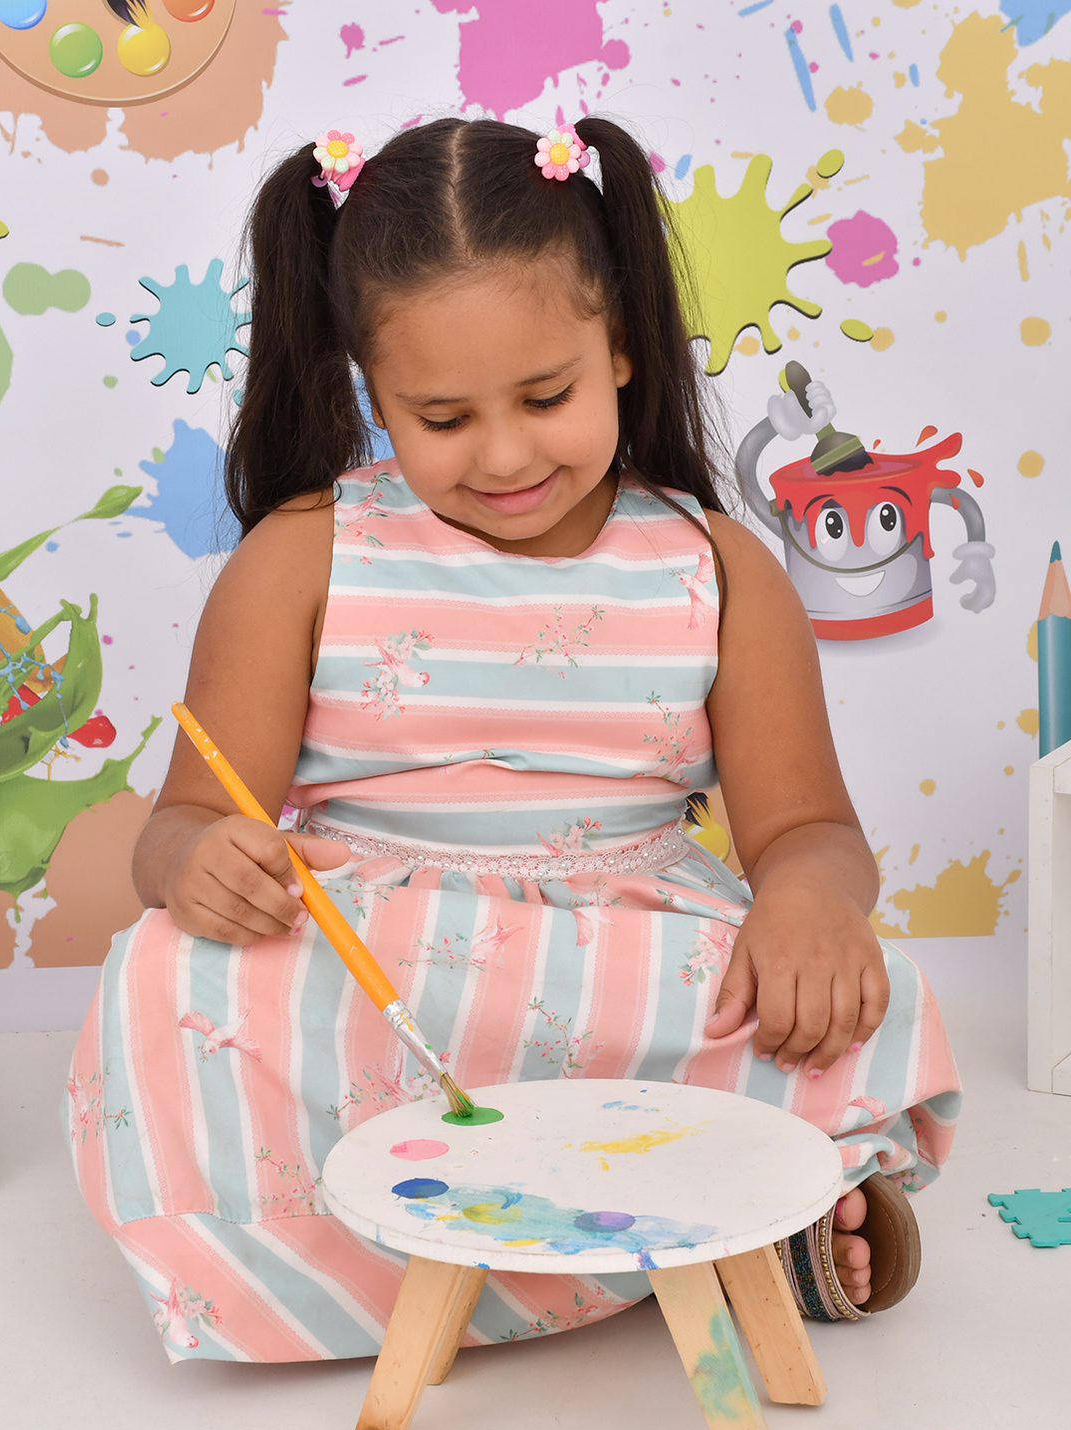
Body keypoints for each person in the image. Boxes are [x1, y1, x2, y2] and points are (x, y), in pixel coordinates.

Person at [64, 117, 960, 1362]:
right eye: (441, 418)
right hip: (381, 964)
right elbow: (184, 822)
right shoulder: (306, 554)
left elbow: (808, 827)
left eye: (547, 398)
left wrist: (809, 902)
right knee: (166, 974)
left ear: (622, 347)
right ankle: (667, 1232)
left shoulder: (715, 566)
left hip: (624, 965)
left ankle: (766, 1209)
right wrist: (197, 864)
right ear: (372, 391)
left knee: (865, 989)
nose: (503, 455)